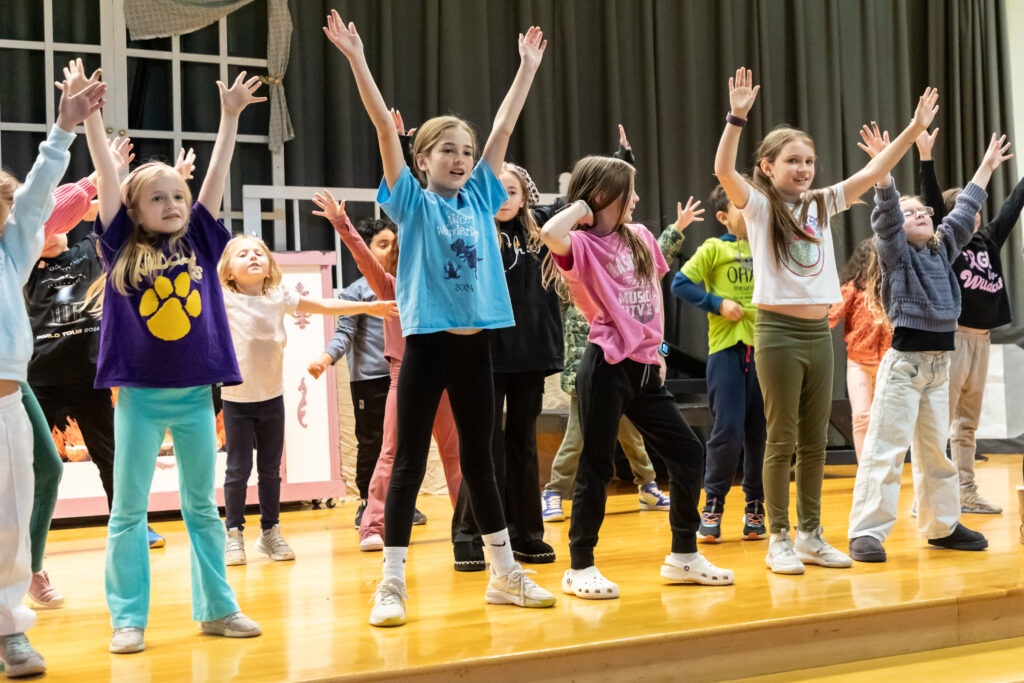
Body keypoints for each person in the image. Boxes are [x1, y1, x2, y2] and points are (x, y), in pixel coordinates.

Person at [323, 11, 556, 626]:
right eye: (446, 150)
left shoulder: (481, 196)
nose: (460, 159)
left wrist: (527, 70)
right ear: (422, 158)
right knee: (407, 463)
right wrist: (356, 59)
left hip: (476, 347)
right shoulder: (411, 202)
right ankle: (391, 583)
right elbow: (380, 126)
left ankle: (505, 575)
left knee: (482, 462)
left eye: (467, 152)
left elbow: (505, 125)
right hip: (425, 346)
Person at [714, 67, 939, 574]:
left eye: (810, 160)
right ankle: (778, 538)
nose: (804, 168)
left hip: (819, 334)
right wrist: (737, 118)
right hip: (776, 333)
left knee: (815, 439)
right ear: (768, 167)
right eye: (793, 160)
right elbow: (725, 170)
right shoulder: (757, 206)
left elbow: (871, 172)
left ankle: (811, 534)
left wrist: (911, 129)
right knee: (781, 437)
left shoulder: (821, 204)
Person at [76, 58, 264, 653]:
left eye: (177, 196)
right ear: (135, 210)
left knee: (202, 509)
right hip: (137, 398)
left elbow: (215, 178)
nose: (173, 203)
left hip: (193, 397)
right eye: (157, 198)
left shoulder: (202, 242)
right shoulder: (118, 245)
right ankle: (128, 619)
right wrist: (91, 120)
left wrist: (229, 118)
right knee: (128, 511)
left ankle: (217, 609)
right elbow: (109, 176)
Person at [542, 155, 735, 600]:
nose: (639, 200)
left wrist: (661, 351)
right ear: (606, 196)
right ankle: (580, 566)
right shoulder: (581, 244)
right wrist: (585, 207)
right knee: (596, 464)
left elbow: (652, 300)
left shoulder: (643, 237)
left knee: (688, 453)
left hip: (647, 368)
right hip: (606, 365)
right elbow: (550, 233)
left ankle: (683, 555)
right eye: (629, 192)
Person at [847, 132, 1012, 562]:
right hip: (904, 367)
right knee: (886, 450)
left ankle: (942, 525)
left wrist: (989, 164)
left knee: (934, 453)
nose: (920, 213)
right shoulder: (897, 255)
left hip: (940, 367)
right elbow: (885, 214)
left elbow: (967, 206)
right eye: (912, 212)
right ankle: (867, 531)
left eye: (924, 211)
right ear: (898, 230)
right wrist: (884, 175)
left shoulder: (943, 248)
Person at [0, 63, 105, 679]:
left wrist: (64, 129)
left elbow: (39, 193)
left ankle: (11, 631)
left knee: (13, 520)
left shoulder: (12, 253)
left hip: (8, 402)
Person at [218, 234, 396, 565]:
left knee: (270, 470)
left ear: (270, 265)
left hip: (271, 398)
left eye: (259, 252)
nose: (253, 257)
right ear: (228, 271)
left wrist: (368, 306)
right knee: (237, 469)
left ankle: (270, 532)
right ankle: (234, 533)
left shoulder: (278, 296)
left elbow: (323, 305)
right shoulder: (221, 299)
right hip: (236, 399)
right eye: (243, 254)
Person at [915, 127, 1024, 514]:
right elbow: (931, 199)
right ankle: (925, 496)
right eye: (967, 209)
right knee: (937, 421)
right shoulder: (947, 243)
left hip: (982, 341)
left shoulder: (990, 239)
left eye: (977, 209)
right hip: (954, 339)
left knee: (966, 425)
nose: (975, 215)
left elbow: (1012, 205)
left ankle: (966, 491)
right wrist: (926, 159)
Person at [671, 183, 766, 542]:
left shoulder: (766, 245)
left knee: (760, 432)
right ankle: (713, 502)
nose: (749, 209)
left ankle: (755, 505)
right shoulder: (713, 248)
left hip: (766, 351)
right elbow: (680, 284)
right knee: (728, 430)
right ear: (724, 216)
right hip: (726, 350)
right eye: (739, 205)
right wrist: (718, 304)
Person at [828, 237, 892, 461]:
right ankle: (865, 466)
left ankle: (882, 464)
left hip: (888, 362)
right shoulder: (852, 289)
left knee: (883, 417)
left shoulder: (892, 289)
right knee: (862, 415)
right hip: (859, 362)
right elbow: (832, 316)